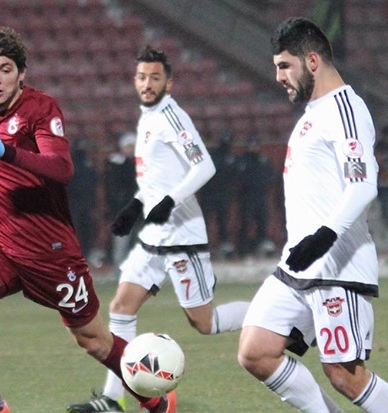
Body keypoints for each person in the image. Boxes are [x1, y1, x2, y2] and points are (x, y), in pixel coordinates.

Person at [0, 28, 175, 413]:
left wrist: (6, 153)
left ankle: (156, 399)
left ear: (21, 74)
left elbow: (62, 168)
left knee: (93, 339)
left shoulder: (41, 109)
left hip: (48, 251)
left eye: (5, 69)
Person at [237, 17, 388, 413]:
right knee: (256, 351)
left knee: (345, 375)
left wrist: (323, 237)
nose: (278, 76)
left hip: (337, 265)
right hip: (300, 262)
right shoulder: (314, 112)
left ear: (312, 61)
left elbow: (363, 185)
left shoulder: (346, 109)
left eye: (285, 66)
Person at [68, 45, 250, 413]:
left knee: (204, 321)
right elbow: (158, 177)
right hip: (154, 236)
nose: (147, 83)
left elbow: (205, 167)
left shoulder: (172, 116)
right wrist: (135, 207)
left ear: (169, 83)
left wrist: (170, 201)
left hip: (182, 236)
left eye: (154, 77)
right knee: (121, 307)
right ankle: (113, 399)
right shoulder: (148, 117)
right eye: (141, 77)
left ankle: (277, 315)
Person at [103, 131, 139, 279]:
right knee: (121, 244)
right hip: (123, 210)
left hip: (138, 210)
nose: (130, 150)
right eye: (127, 146)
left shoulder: (140, 164)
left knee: (138, 243)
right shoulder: (116, 165)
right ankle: (118, 273)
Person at [236, 135, 277, 257]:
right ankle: (243, 250)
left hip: (261, 196)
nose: (254, 147)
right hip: (247, 196)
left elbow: (271, 175)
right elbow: (238, 178)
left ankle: (261, 247)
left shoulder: (263, 159)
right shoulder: (243, 160)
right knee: (245, 223)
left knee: (262, 222)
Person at [199, 130, 239, 258]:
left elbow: (235, 177)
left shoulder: (232, 158)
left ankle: (224, 245)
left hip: (223, 195)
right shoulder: (212, 156)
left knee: (223, 221)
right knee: (205, 221)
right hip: (210, 193)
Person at [68, 138, 99, 259]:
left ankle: (82, 254)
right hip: (74, 203)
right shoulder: (76, 165)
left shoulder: (87, 166)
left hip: (83, 203)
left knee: (85, 230)